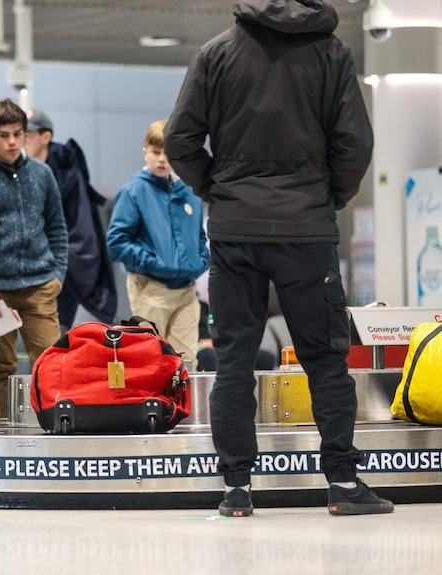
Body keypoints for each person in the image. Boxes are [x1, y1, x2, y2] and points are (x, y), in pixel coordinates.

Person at [164, 0, 393, 517]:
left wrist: (219, 190)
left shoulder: (215, 54)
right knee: (326, 360)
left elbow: (180, 139)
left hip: (235, 232)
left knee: (234, 361)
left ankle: (237, 489)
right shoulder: (330, 54)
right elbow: (355, 141)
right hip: (306, 232)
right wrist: (325, 197)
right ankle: (342, 483)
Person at [0, 98, 68, 419]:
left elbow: (57, 226)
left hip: (40, 286)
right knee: (1, 366)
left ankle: (55, 425)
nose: (12, 142)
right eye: (4, 135)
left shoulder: (41, 173)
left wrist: (58, 275)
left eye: (18, 134)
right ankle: (3, 429)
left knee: (53, 363)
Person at [106, 120, 209, 370]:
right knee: (151, 361)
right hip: (150, 289)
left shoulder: (189, 193)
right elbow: (117, 243)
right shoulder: (133, 191)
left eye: (167, 152)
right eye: (155, 152)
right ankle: (153, 410)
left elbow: (200, 237)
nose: (162, 159)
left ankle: (183, 411)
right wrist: (155, 263)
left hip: (186, 290)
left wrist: (199, 261)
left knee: (186, 362)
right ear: (145, 152)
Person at [24, 109, 116, 329]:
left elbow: (79, 230)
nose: (18, 142)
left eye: (26, 136)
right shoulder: (21, 171)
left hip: (62, 274)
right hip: (27, 273)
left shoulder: (68, 176)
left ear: (46, 137)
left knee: (58, 339)